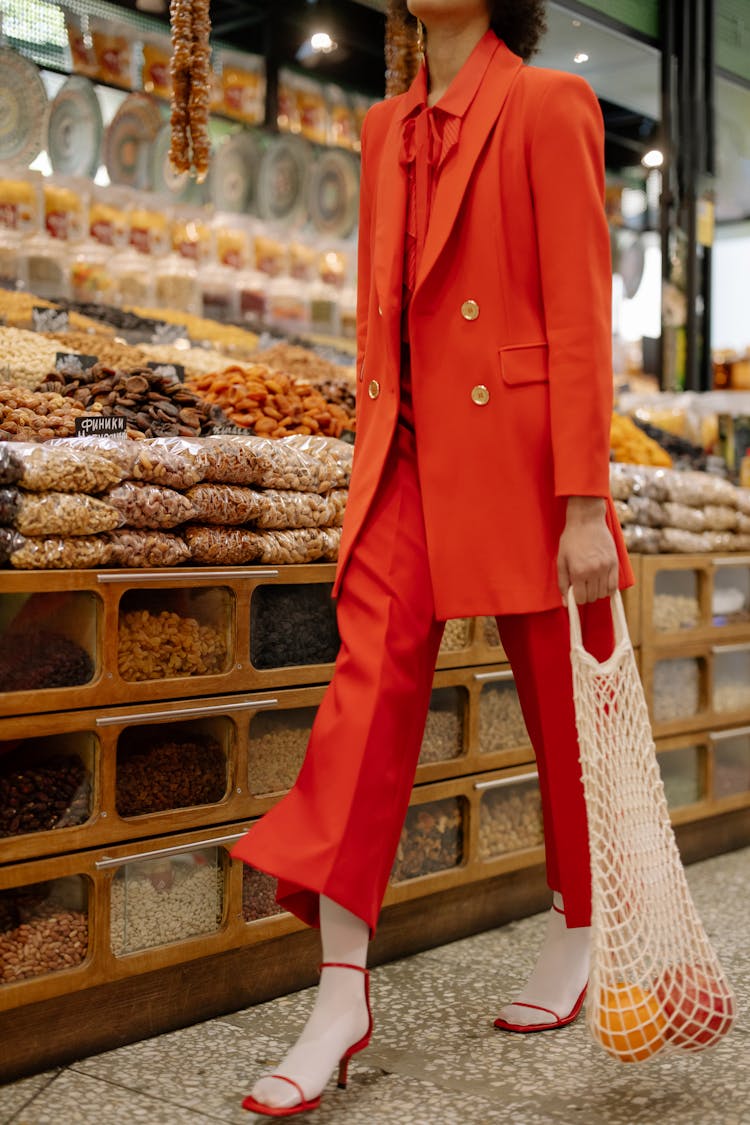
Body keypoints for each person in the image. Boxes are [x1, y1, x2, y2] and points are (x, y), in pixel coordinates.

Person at [235, 0, 633, 1115]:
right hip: (403, 460)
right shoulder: (382, 131)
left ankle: (586, 925)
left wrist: (585, 500)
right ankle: (340, 990)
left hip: (524, 462)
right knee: (362, 705)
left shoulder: (550, 104)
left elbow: (576, 317)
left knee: (565, 714)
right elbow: (379, 318)